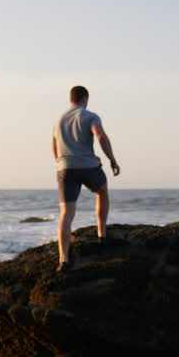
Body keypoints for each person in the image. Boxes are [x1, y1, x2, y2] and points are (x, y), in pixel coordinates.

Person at [52, 85, 120, 272]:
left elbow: (55, 147)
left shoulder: (59, 120)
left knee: (66, 214)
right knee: (102, 191)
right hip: (87, 166)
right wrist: (111, 159)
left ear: (70, 99)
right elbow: (101, 136)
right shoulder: (90, 116)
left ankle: (63, 260)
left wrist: (62, 162)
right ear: (85, 99)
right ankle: (102, 234)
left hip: (65, 168)